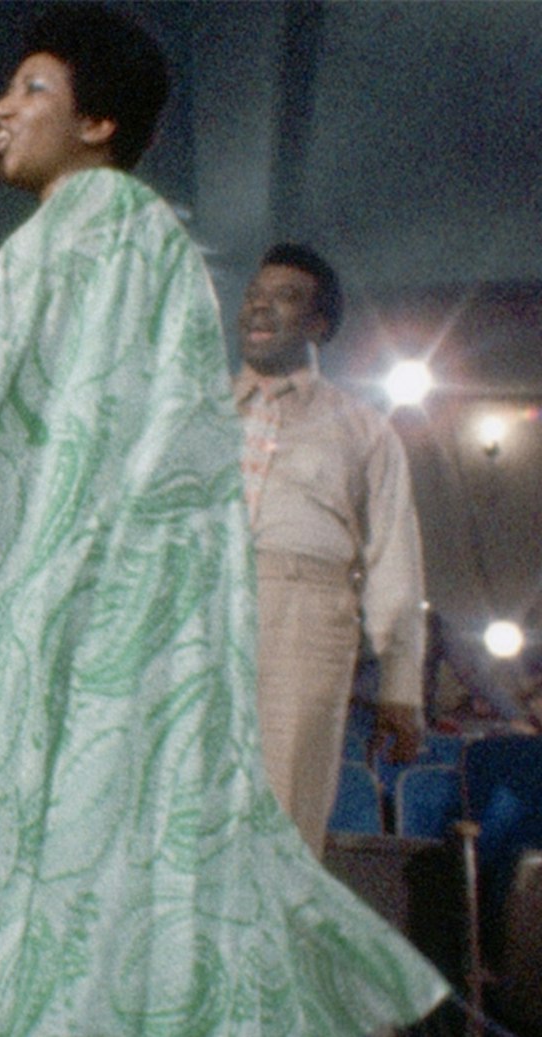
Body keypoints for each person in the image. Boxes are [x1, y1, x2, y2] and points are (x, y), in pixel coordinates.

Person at [0, 7, 442, 1031]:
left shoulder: (96, 218)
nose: (0, 109)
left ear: (98, 124)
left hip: (129, 609)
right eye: (2, 90)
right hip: (133, 609)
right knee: (153, 855)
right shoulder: (136, 239)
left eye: (33, 88)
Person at [232, 242, 426, 852]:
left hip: (305, 616)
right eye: (255, 295)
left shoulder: (363, 428)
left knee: (284, 812)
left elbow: (394, 556)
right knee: (185, 803)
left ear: (320, 325)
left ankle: (273, 947)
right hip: (199, 607)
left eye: (285, 298)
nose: (261, 308)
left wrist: (400, 684)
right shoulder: (198, 413)